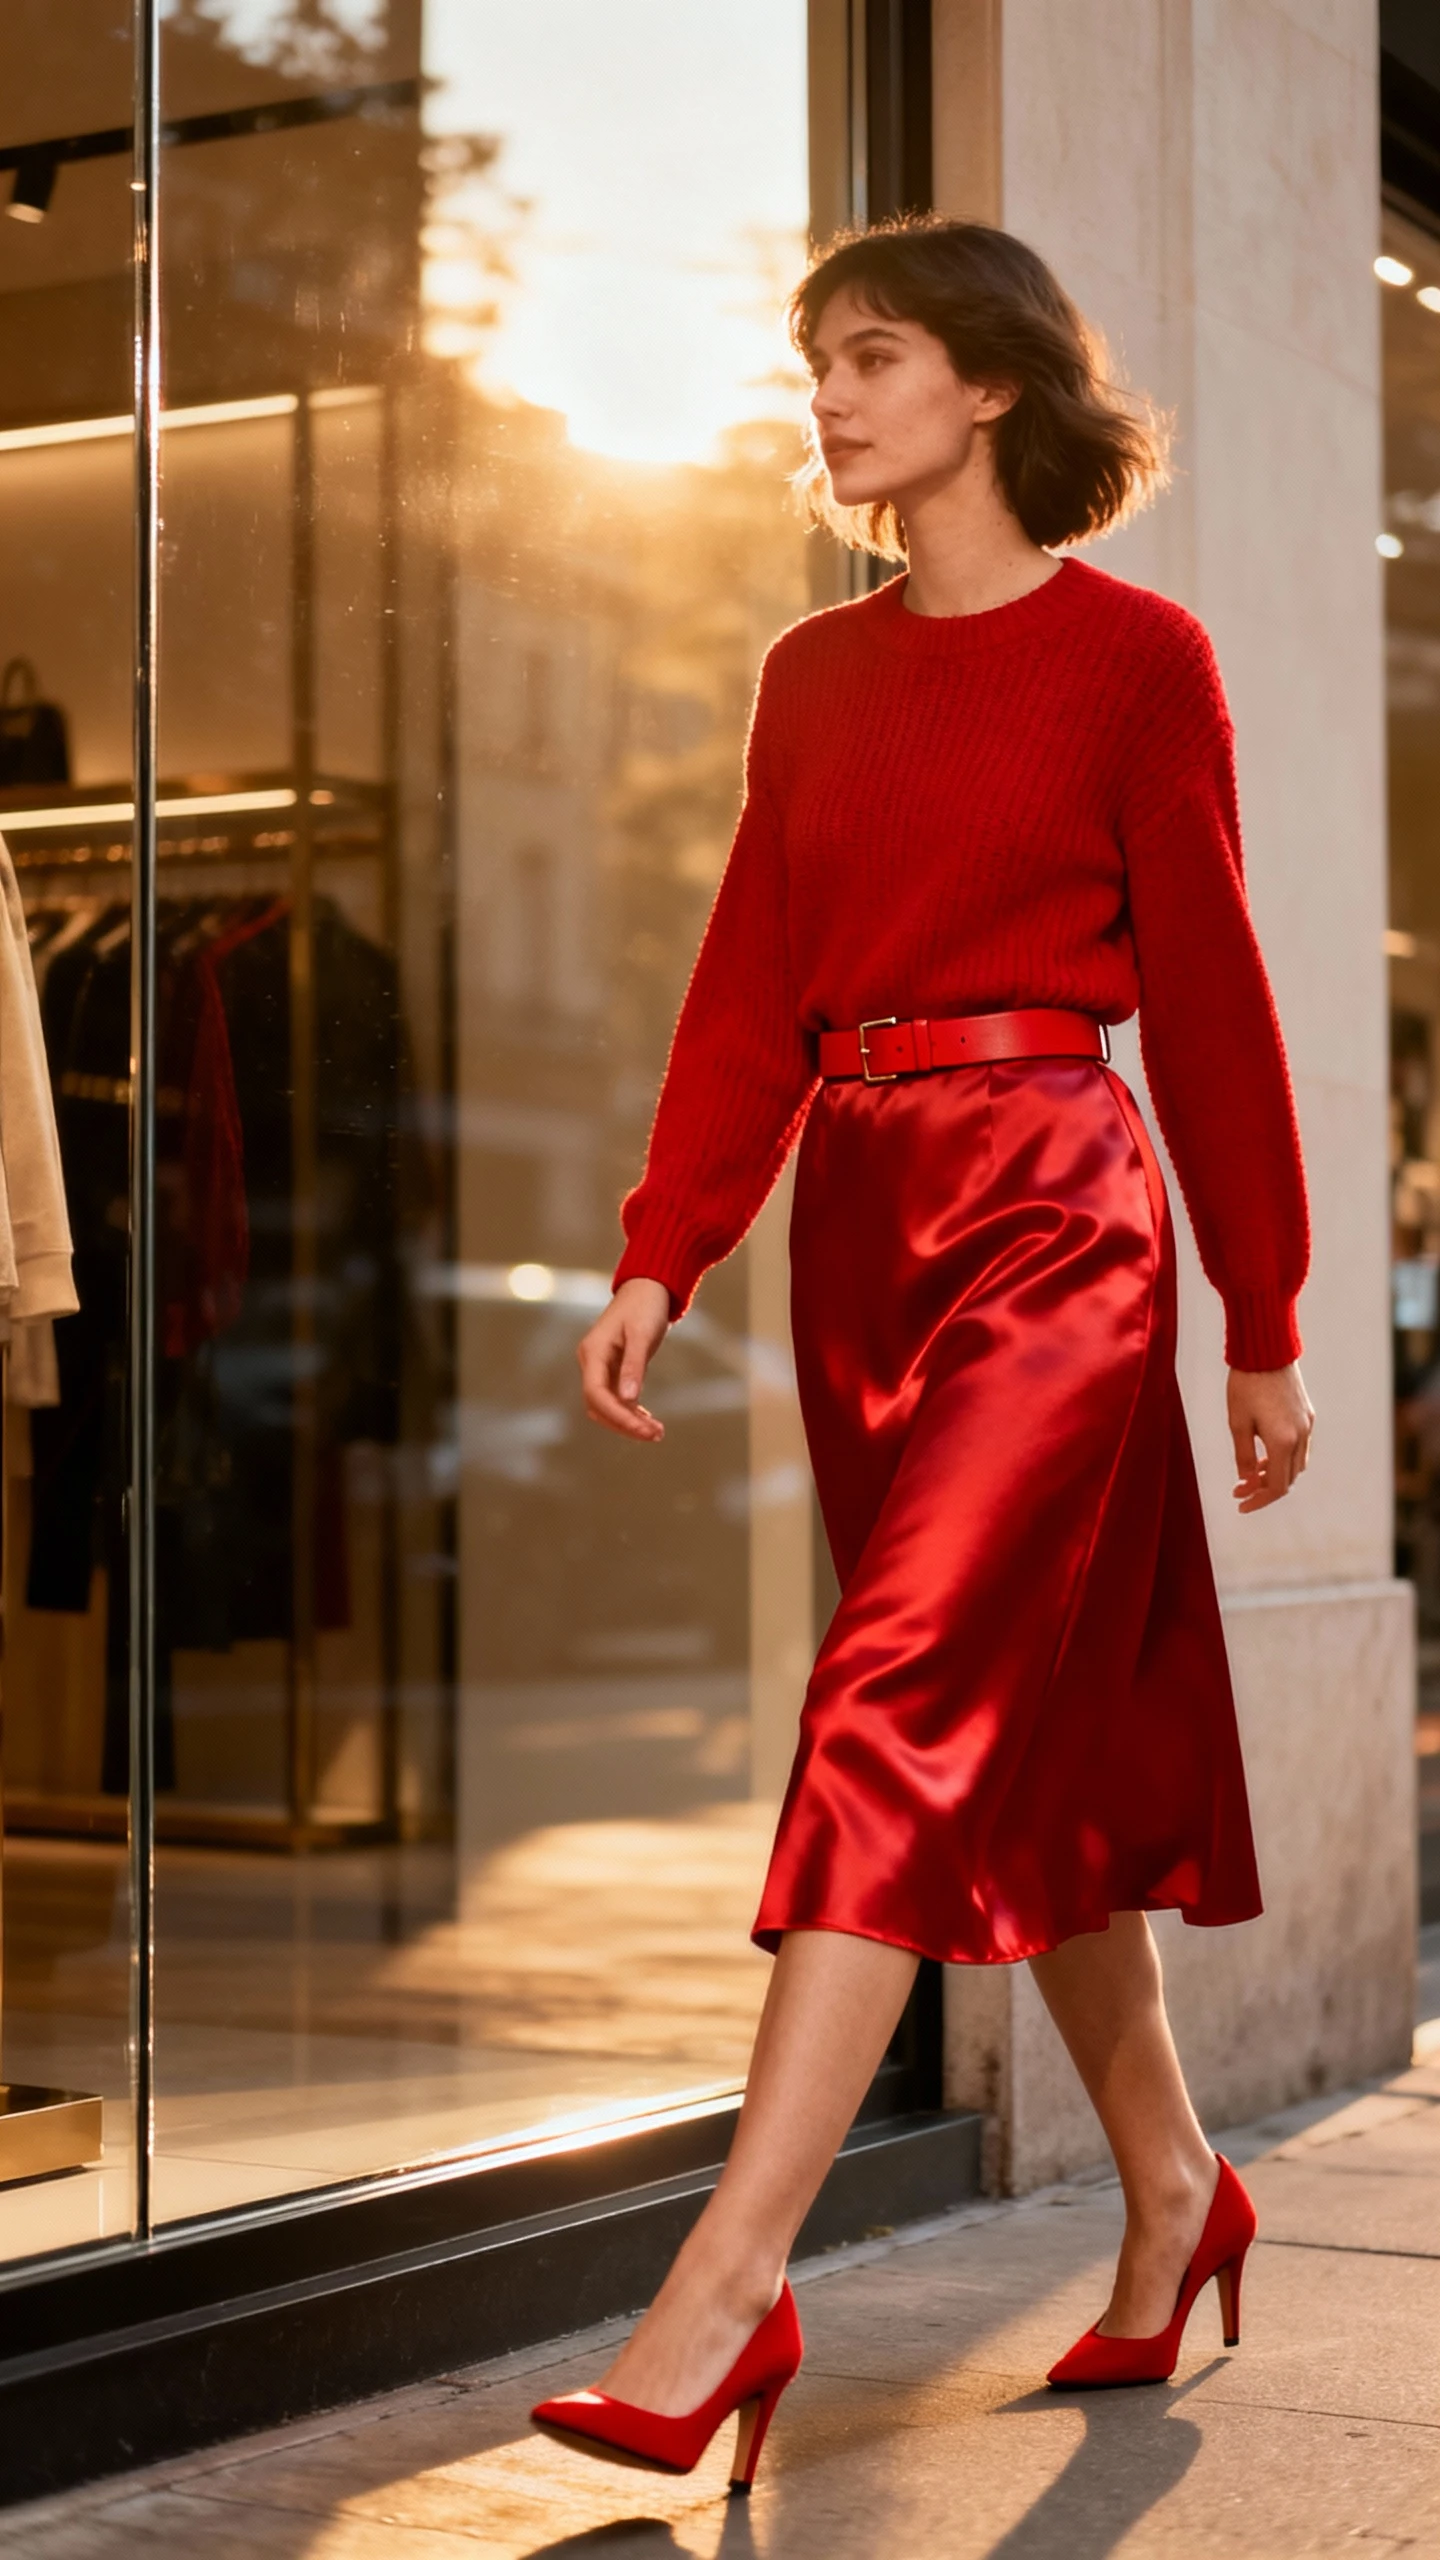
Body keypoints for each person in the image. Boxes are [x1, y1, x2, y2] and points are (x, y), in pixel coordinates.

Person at [531, 216, 1313, 2489]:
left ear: (991, 387)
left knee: (891, 1698)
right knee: (1016, 1742)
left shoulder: (1139, 659)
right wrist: (666, 1248)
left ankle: (721, 2290)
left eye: (871, 359)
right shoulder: (808, 672)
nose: (832, 401)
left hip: (1059, 1204)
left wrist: (1259, 1310)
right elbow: (748, 981)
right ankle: (1178, 2184)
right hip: (863, 1227)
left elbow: (1224, 1001)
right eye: (817, 369)